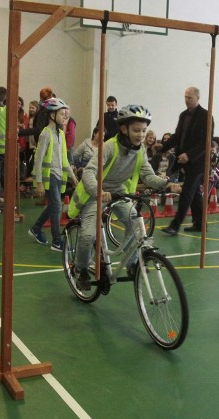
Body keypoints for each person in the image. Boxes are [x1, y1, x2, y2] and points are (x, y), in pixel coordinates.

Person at [68, 104, 181, 290]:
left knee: (136, 223)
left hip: (118, 192)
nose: (141, 135)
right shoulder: (109, 147)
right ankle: (80, 269)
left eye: (144, 130)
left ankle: (132, 263)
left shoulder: (140, 150)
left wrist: (167, 184)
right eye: (137, 130)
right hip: (95, 194)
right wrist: (98, 191)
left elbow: (148, 175)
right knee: (88, 235)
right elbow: (89, 172)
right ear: (124, 129)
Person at [160, 87, 213, 235]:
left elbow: (205, 142)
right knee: (195, 194)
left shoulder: (206, 116)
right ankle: (200, 224)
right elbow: (177, 136)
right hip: (184, 162)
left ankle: (175, 226)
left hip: (198, 163)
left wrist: (189, 155)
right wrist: (163, 147)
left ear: (197, 98)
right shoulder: (183, 115)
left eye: (189, 97)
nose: (186, 100)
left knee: (187, 194)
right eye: (185, 97)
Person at [27, 98, 77, 251]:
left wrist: (72, 175)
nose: (64, 117)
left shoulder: (60, 134)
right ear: (52, 115)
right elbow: (38, 158)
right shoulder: (46, 134)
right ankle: (57, 241)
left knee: (55, 205)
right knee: (56, 205)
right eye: (62, 114)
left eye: (65, 114)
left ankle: (36, 229)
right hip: (48, 177)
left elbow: (64, 159)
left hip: (58, 175)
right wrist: (39, 182)